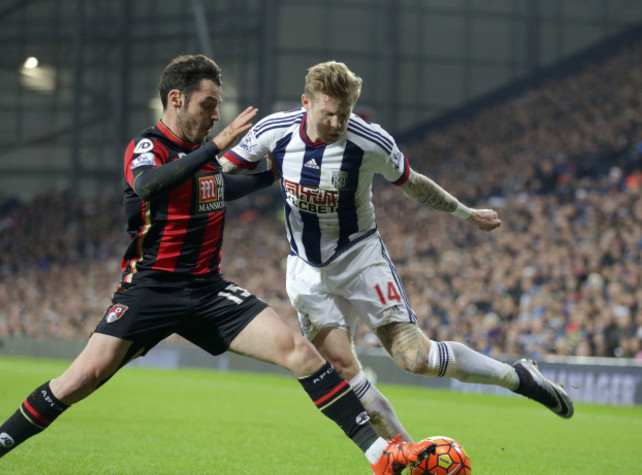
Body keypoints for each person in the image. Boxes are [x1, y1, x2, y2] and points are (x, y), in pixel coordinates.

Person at [0, 55, 437, 475]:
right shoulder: (150, 147)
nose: (215, 114)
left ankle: (380, 455)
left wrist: (271, 176)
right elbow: (149, 184)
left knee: (300, 353)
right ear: (176, 99)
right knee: (79, 381)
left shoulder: (200, 160)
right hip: (151, 289)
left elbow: (218, 185)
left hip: (208, 291)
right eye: (208, 104)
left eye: (217, 105)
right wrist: (216, 146)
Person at [221, 60, 574, 441]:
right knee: (341, 367)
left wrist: (466, 213)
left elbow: (414, 184)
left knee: (415, 359)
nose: (338, 123)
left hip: (360, 257)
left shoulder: (369, 140)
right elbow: (222, 171)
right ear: (305, 102)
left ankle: (516, 376)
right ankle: (407, 451)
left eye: (345, 113)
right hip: (306, 268)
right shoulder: (274, 131)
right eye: (328, 114)